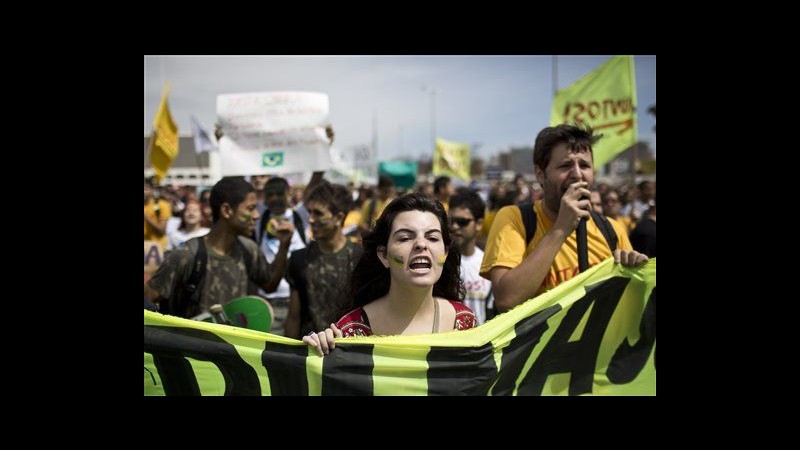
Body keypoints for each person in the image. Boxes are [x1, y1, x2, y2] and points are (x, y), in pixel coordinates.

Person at [480, 124, 649, 314]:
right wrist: (561, 228)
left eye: (584, 165)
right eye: (565, 165)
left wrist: (634, 272)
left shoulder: (612, 230)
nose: (577, 174)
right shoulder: (514, 219)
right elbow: (506, 298)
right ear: (540, 175)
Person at [303, 193, 477, 356]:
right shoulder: (350, 333)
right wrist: (320, 350)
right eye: (405, 238)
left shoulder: (465, 323)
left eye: (432, 238)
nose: (421, 245)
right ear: (384, 255)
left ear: (445, 253)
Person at [145, 177, 294, 317]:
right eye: (250, 208)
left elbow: (270, 284)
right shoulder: (187, 255)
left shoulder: (248, 249)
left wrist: (284, 245)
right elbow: (149, 298)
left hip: (233, 344)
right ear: (226, 210)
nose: (256, 215)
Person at [284, 181, 364, 338]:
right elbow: (294, 316)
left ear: (338, 218)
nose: (311, 220)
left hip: (352, 350)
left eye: (318, 213)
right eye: (310, 212)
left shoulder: (361, 257)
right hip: (311, 350)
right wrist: (288, 356)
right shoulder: (299, 259)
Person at [449, 190, 494, 325]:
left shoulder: (489, 265)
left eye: (462, 222)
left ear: (479, 224)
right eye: (450, 221)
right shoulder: (439, 263)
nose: (454, 227)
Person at [144, 182, 172, 247]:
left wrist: (146, 218)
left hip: (157, 249)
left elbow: (162, 230)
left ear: (152, 190)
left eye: (145, 189)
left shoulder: (162, 205)